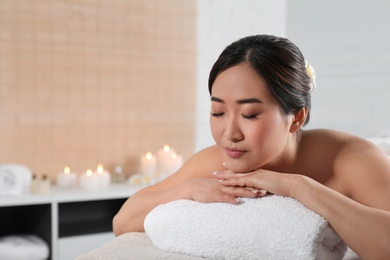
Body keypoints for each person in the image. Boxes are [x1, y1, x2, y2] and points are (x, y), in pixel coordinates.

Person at [113, 34, 390, 259]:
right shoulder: (214, 163)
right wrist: (188, 189)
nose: (229, 134)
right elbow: (122, 222)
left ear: (297, 117)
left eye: (249, 115)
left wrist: (300, 187)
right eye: (218, 113)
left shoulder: (352, 158)